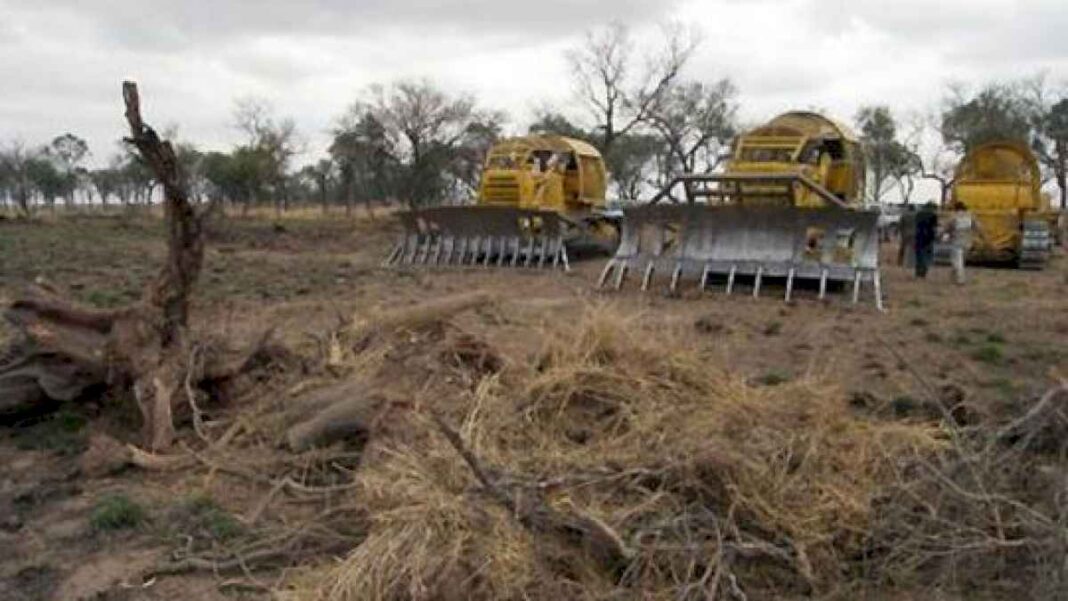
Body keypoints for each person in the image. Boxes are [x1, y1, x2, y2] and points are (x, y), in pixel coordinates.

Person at [946, 202, 973, 284]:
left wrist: (941, 234)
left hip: (956, 241)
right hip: (967, 242)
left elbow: (947, 227)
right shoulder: (970, 216)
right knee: (960, 261)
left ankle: (960, 279)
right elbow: (978, 227)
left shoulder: (954, 217)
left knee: (957, 261)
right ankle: (953, 277)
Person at [914, 202, 939, 278]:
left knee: (919, 255)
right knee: (927, 255)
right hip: (929, 237)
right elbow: (935, 227)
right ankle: (924, 271)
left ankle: (918, 272)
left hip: (919, 236)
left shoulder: (919, 214)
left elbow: (915, 224)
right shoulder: (933, 215)